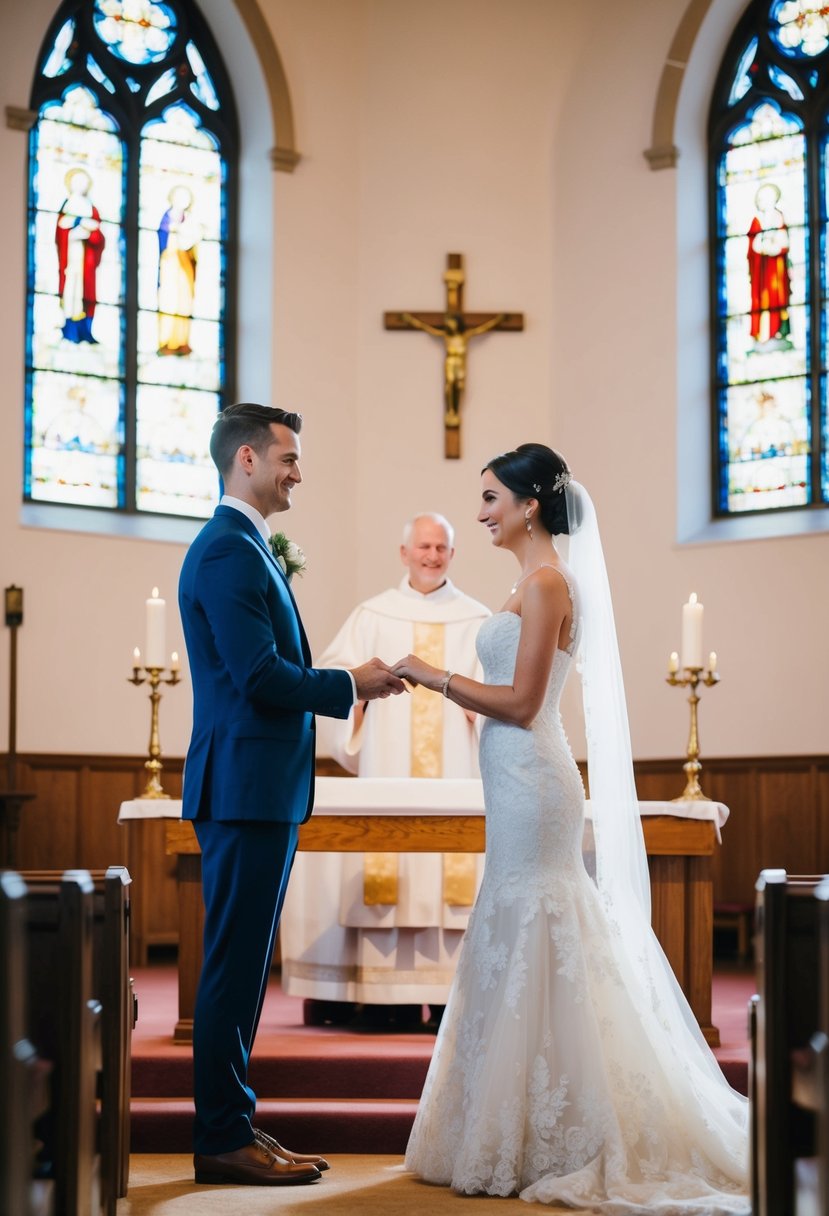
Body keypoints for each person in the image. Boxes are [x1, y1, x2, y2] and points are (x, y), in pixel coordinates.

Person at [392, 444, 749, 1212]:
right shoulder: (529, 581)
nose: (480, 513)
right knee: (518, 922)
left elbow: (523, 703)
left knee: (539, 916)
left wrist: (430, 675)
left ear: (528, 504)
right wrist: (462, 693)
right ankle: (516, 1120)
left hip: (533, 778)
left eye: (490, 499)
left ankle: (558, 1128)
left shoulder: (549, 581)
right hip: (515, 776)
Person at [178, 402, 404, 1187]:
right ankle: (220, 1138)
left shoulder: (246, 546)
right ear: (246, 459)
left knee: (243, 969)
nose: (297, 472)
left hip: (257, 788)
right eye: (288, 457)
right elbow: (258, 676)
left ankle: (233, 1125)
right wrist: (353, 682)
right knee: (234, 968)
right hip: (243, 788)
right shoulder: (228, 552)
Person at [280, 514, 490, 1025]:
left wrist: (476, 710)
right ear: (403, 553)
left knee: (453, 878)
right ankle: (382, 1000)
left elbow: (498, 695)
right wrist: (359, 702)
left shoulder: (477, 619)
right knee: (386, 867)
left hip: (456, 778)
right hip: (386, 767)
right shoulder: (372, 616)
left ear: (452, 555)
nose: (432, 555)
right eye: (423, 546)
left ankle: (450, 1000)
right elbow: (332, 683)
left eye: (442, 547)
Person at [55, 167, 105, 344]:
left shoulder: (92, 209)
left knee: (86, 293)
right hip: (71, 258)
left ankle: (86, 330)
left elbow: (98, 236)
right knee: (71, 291)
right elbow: (60, 232)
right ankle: (69, 330)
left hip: (87, 261)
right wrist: (76, 225)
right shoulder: (67, 205)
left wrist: (89, 232)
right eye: (77, 181)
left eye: (84, 182)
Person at [747, 181, 792, 349]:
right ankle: (762, 334)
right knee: (762, 301)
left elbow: (783, 243)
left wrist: (772, 247)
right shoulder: (757, 220)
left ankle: (778, 331)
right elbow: (752, 247)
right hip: (761, 272)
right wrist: (761, 246)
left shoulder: (778, 217)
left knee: (777, 300)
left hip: (775, 269)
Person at [157, 184, 199, 356]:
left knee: (183, 302)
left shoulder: (190, 220)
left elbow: (194, 243)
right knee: (168, 300)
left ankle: (181, 341)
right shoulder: (166, 218)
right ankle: (166, 340)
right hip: (168, 265)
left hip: (184, 266)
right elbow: (160, 240)